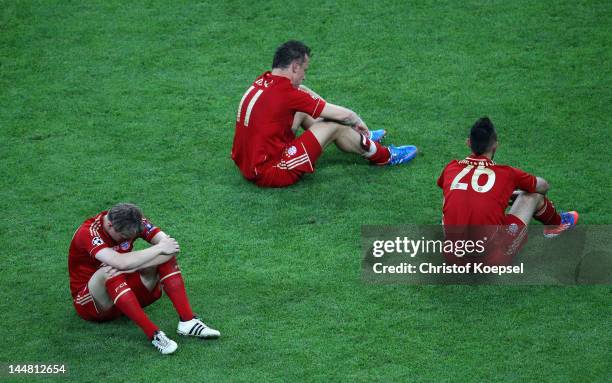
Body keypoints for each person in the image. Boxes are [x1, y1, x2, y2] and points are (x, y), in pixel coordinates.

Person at [231, 40, 418, 188]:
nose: (304, 75)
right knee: (335, 125)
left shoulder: (264, 81)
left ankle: (359, 139)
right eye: (304, 70)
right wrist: (357, 120)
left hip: (249, 163)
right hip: (271, 171)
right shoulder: (286, 94)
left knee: (303, 91)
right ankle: (384, 157)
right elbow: (345, 116)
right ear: (295, 67)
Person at [68, 203, 220, 355]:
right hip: (93, 303)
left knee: (164, 257)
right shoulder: (88, 232)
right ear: (110, 225)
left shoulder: (135, 220)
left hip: (124, 292)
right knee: (109, 270)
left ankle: (188, 321)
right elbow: (119, 262)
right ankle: (154, 335)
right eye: (124, 237)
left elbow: (170, 247)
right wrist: (158, 249)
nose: (127, 240)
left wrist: (134, 266)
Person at [437, 117, 578, 265]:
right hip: (489, 261)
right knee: (534, 196)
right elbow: (543, 186)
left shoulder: (450, 168)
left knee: (450, 195)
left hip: (451, 258)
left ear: (468, 143)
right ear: (495, 146)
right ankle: (556, 225)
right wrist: (518, 192)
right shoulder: (506, 173)